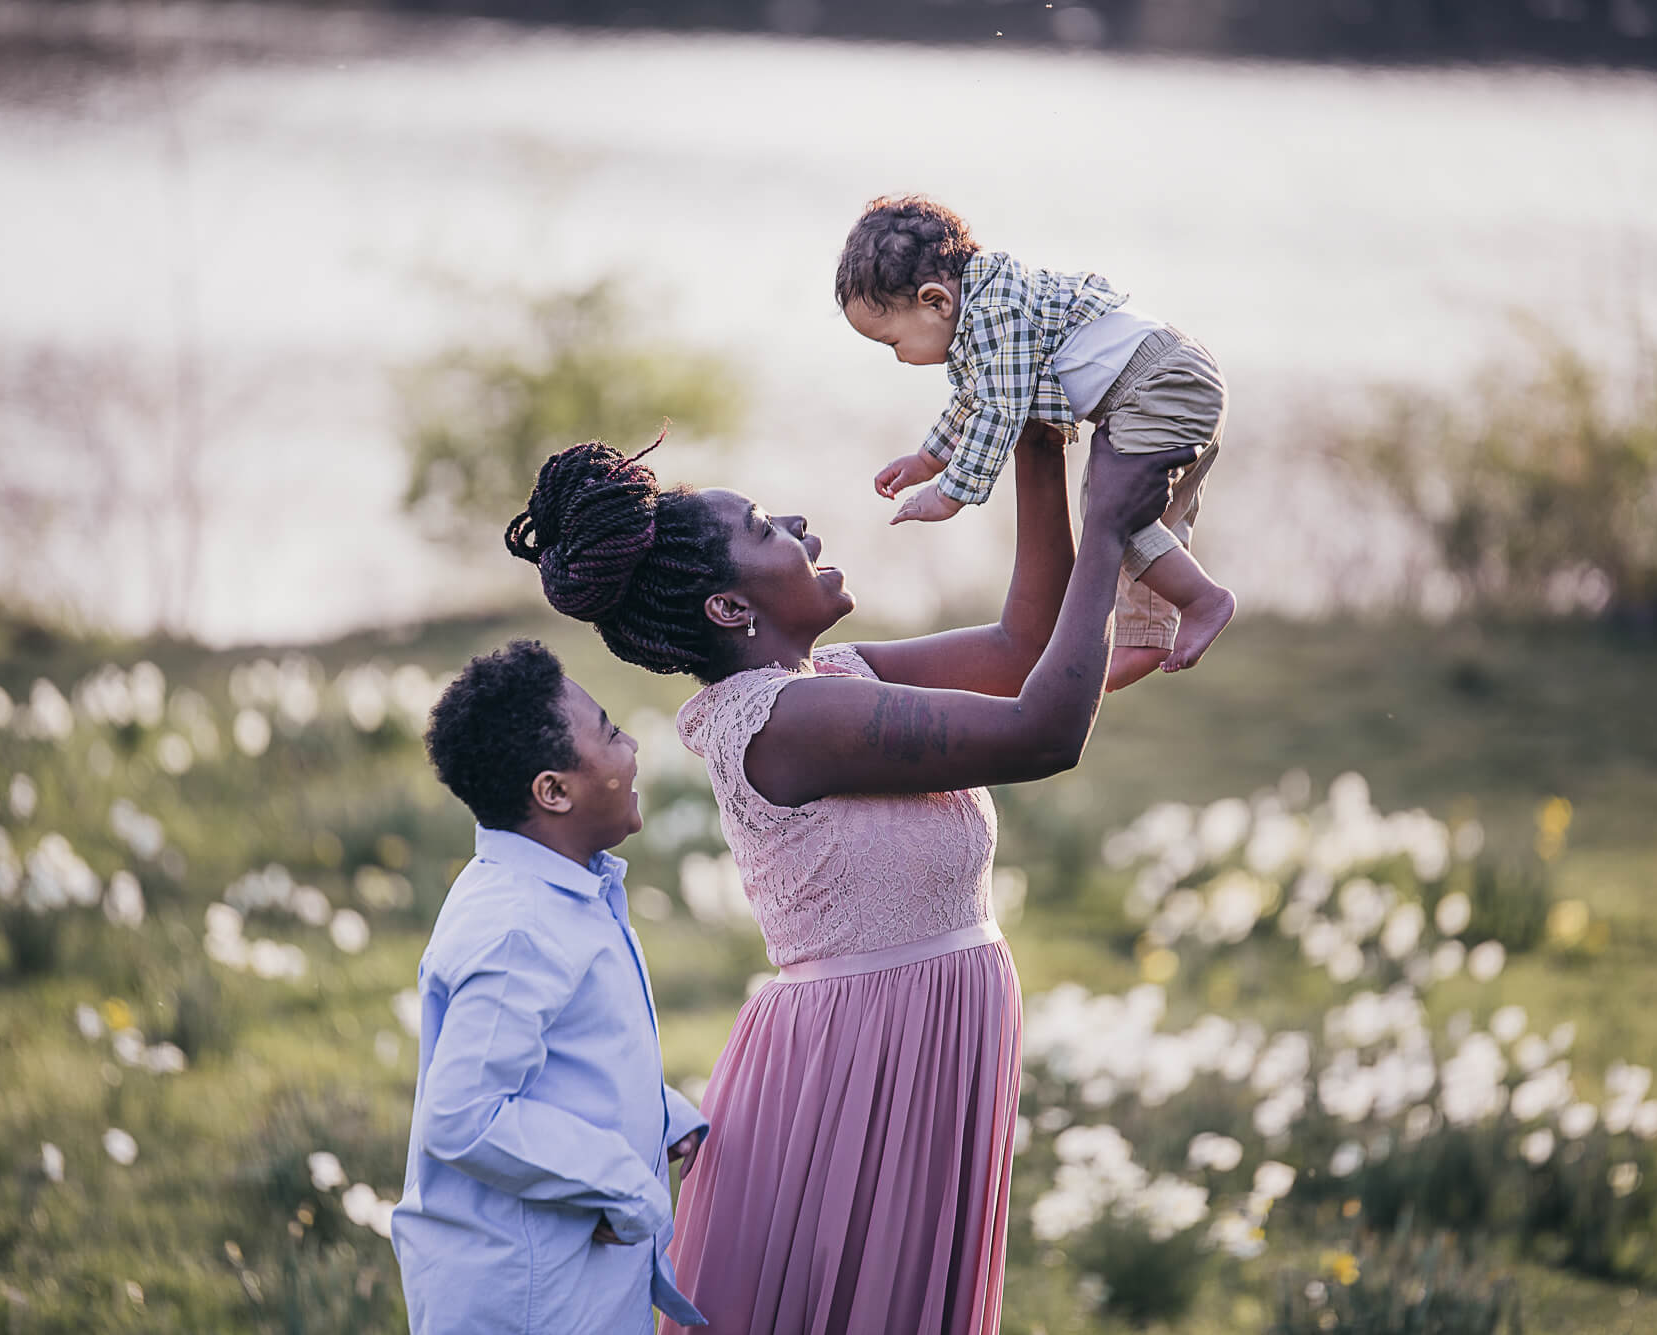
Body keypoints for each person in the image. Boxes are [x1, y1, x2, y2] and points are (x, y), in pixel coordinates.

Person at [505, 419, 1194, 1335]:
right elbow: (1044, 731)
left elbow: (1025, 648)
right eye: (763, 527)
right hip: (860, 1067)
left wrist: (1038, 440)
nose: (799, 524)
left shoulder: (831, 676)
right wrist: (1105, 529)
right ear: (728, 608)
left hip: (921, 1043)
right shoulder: (786, 720)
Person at [389, 639, 708, 1334]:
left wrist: (655, 1116)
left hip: (566, 1280)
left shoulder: (559, 889)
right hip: (528, 1299)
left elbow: (562, 1052)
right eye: (612, 732)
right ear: (554, 790)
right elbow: (465, 1113)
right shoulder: (519, 925)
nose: (632, 749)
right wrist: (625, 1181)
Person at [836, 193, 1236, 689]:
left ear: (935, 301)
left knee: (1111, 512)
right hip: (1174, 381)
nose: (898, 358)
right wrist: (927, 459)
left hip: (1153, 386)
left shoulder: (995, 313)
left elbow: (1002, 406)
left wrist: (951, 494)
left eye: (892, 342)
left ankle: (1204, 600)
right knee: (1144, 517)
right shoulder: (986, 308)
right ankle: (1148, 636)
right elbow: (976, 396)